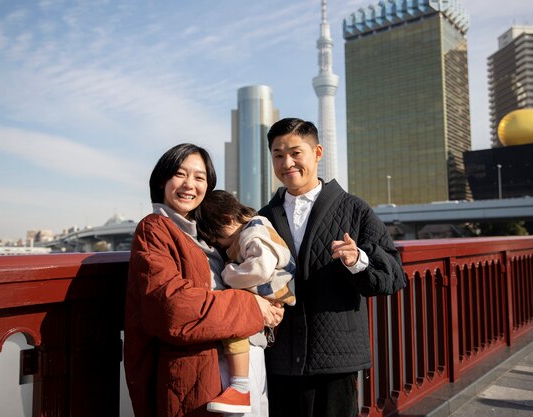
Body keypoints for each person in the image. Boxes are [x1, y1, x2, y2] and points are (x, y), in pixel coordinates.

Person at [258, 118, 407, 417]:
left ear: (317, 152)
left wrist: (358, 261)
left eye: (296, 152)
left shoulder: (354, 208)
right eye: (278, 154)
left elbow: (394, 275)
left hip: (336, 356)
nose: (287, 162)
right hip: (280, 356)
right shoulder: (263, 217)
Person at [124, 143, 285, 417]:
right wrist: (252, 308)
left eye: (199, 178)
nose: (189, 184)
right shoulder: (155, 229)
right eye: (180, 174)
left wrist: (270, 308)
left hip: (241, 369)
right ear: (162, 179)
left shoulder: (207, 236)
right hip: (197, 378)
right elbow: (173, 309)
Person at [194, 190, 296, 414]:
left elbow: (260, 268)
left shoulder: (253, 232)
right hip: (271, 293)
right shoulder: (252, 229)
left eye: (222, 240)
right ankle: (241, 387)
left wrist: (229, 273)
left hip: (271, 288)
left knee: (235, 323)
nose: (223, 246)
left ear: (228, 220)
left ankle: (240, 386)